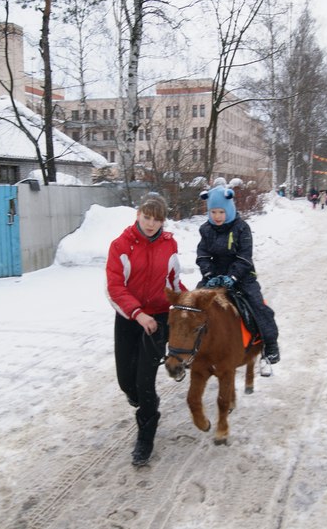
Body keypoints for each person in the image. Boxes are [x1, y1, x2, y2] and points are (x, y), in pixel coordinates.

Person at [106, 193, 186, 466]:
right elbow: (115, 287)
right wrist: (137, 313)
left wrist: (188, 302)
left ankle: (146, 435)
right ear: (138, 214)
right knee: (126, 381)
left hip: (159, 319)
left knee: (145, 381)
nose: (151, 223)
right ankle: (140, 398)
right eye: (147, 216)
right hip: (129, 318)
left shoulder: (169, 243)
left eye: (157, 218)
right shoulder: (121, 245)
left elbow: (174, 281)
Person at [196, 185, 280, 364]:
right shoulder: (206, 229)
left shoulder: (241, 228)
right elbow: (203, 255)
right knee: (192, 304)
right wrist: (209, 274)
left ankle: (270, 343)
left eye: (221, 211)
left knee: (257, 305)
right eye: (213, 212)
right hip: (215, 275)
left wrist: (232, 277)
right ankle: (191, 345)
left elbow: (244, 256)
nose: (217, 216)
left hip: (242, 276)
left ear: (229, 209)